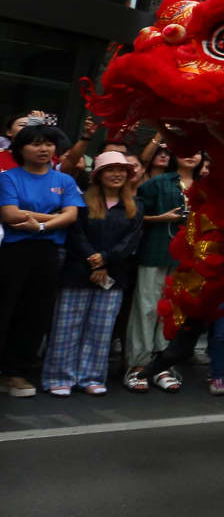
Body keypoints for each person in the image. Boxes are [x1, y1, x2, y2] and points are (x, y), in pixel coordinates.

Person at [40, 150, 142, 396]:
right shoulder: (80, 200)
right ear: (98, 175)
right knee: (66, 327)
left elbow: (131, 241)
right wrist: (95, 261)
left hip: (114, 276)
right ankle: (58, 377)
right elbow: (75, 234)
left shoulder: (135, 206)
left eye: (122, 170)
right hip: (77, 272)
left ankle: (91, 377)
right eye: (110, 170)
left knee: (101, 329)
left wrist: (105, 259)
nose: (117, 175)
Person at [0, 121, 83, 396]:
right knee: (5, 308)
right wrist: (55, 218)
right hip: (13, 252)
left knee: (35, 313)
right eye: (36, 143)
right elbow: (10, 215)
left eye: (48, 144)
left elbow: (72, 216)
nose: (44, 149)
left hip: (48, 252)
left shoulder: (64, 181)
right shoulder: (9, 178)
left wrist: (41, 225)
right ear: (20, 149)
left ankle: (16, 372)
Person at [128, 148, 198, 391]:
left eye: (198, 152)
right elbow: (135, 216)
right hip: (156, 249)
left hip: (189, 258)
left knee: (173, 311)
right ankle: (138, 364)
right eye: (187, 149)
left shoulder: (206, 186)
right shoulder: (158, 182)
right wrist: (162, 218)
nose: (191, 155)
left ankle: (162, 365)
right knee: (146, 308)